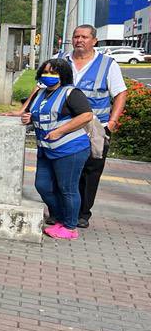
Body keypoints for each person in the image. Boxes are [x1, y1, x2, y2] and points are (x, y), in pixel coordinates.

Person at [21, 58, 93, 240]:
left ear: (63, 75)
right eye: (45, 72)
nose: (48, 75)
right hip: (46, 149)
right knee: (42, 185)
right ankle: (61, 217)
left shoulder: (71, 93)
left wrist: (60, 131)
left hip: (70, 149)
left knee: (67, 188)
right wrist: (29, 119)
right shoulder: (41, 93)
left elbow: (86, 115)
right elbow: (40, 115)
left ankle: (70, 227)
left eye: (54, 72)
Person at [66, 25, 127, 229]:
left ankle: (82, 213)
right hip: (65, 127)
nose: (79, 40)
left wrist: (111, 123)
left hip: (95, 129)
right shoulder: (62, 60)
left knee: (90, 172)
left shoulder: (107, 65)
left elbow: (120, 93)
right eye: (76, 36)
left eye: (84, 37)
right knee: (63, 169)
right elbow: (42, 86)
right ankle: (61, 211)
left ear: (94, 41)